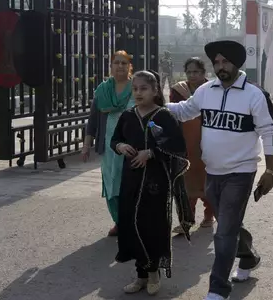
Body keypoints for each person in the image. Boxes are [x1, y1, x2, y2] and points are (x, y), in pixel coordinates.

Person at [166, 40, 273, 300]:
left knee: (224, 230)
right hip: (212, 170)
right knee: (229, 224)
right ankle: (248, 257)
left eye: (225, 61)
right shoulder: (206, 90)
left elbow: (268, 132)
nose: (220, 66)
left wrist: (270, 171)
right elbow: (184, 111)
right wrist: (156, 104)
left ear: (237, 63)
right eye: (216, 62)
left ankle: (218, 288)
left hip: (241, 172)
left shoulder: (254, 94)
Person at [111, 70, 193, 296]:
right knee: (131, 223)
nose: (138, 92)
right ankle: (140, 275)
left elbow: (178, 146)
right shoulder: (127, 116)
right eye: (135, 88)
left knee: (152, 225)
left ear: (155, 91)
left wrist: (152, 152)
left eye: (143, 88)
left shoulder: (164, 116)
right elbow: (115, 139)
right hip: (131, 179)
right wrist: (120, 147)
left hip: (155, 182)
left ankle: (154, 272)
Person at [82, 50, 134, 237]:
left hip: (132, 147)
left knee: (129, 185)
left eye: (124, 63)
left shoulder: (137, 87)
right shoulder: (103, 90)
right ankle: (119, 222)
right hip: (109, 147)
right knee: (112, 185)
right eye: (116, 62)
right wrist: (86, 145)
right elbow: (93, 120)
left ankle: (132, 222)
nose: (120, 66)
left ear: (130, 67)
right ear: (110, 66)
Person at [170, 57, 215, 233]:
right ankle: (186, 221)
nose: (192, 75)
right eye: (189, 72)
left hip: (208, 139)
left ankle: (209, 215)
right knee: (186, 180)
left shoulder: (212, 90)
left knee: (207, 180)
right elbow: (174, 113)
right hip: (186, 140)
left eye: (196, 72)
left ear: (204, 73)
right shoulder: (178, 89)